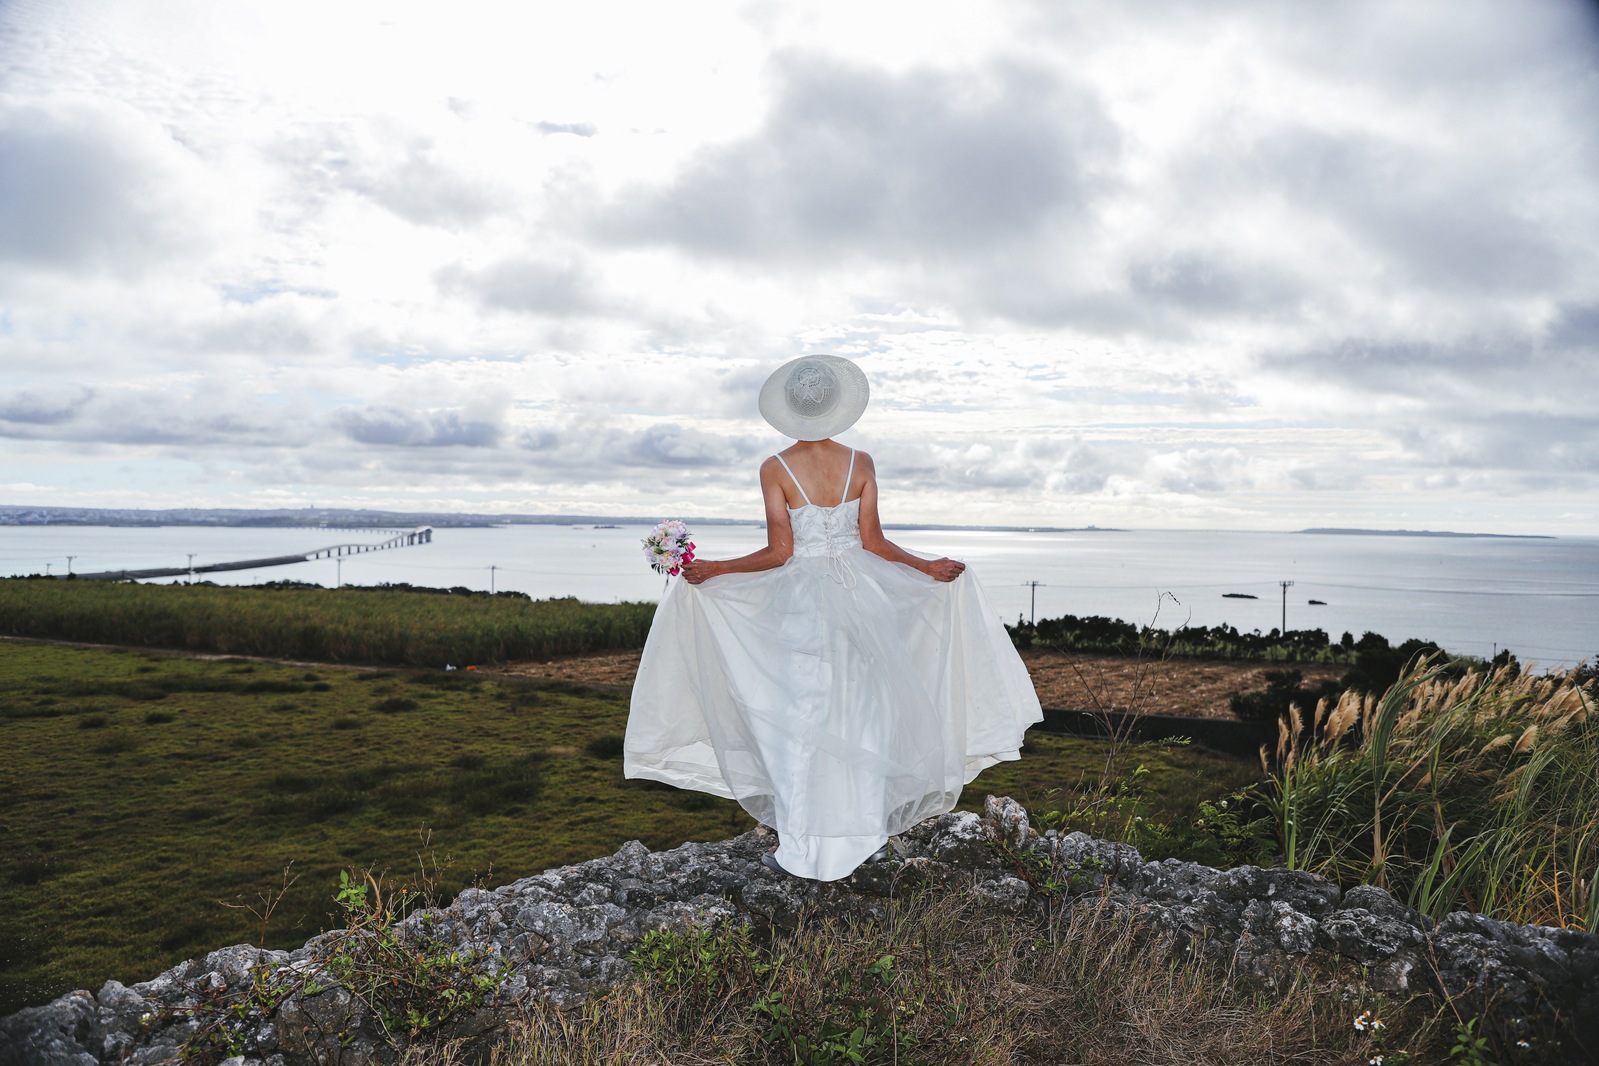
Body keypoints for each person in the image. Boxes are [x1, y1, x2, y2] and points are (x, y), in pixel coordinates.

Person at [624, 354, 1042, 880]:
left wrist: (716, 569)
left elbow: (780, 554)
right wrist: (925, 567)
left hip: (801, 601)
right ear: (837, 408)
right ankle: (861, 822)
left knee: (803, 709)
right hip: (864, 595)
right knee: (863, 705)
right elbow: (874, 542)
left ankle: (809, 825)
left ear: (790, 411)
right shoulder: (860, 462)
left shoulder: (775, 468)